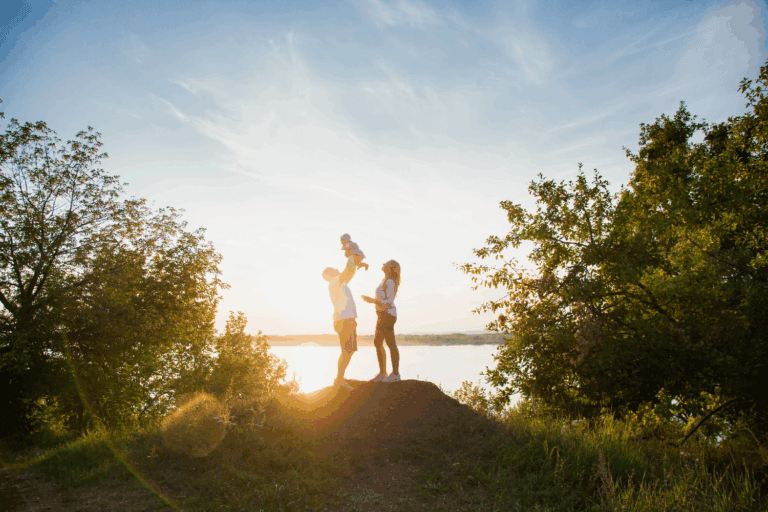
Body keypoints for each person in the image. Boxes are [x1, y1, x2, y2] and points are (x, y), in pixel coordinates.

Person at [322, 254, 359, 391]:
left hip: (346, 320)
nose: (337, 269)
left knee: (348, 351)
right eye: (333, 269)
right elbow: (347, 270)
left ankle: (339, 379)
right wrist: (352, 256)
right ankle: (339, 380)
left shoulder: (340, 283)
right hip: (344, 320)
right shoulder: (335, 282)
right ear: (330, 274)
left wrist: (356, 261)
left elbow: (350, 272)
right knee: (347, 351)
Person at [361, 260, 401, 383]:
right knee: (377, 342)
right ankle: (383, 373)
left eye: (386, 264)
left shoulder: (389, 282)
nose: (383, 265)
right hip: (382, 315)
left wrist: (372, 301)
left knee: (390, 343)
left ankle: (395, 374)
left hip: (387, 315)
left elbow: (389, 302)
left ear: (391, 268)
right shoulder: (385, 280)